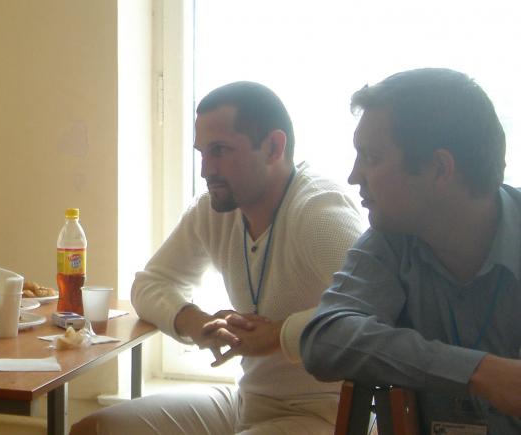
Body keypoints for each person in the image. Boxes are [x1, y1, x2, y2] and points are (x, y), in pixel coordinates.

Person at [71, 81, 364, 435]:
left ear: (273, 147)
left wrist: (278, 335)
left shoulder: (320, 212)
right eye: (202, 153)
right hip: (247, 402)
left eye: (220, 151)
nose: (205, 170)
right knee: (95, 430)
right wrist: (197, 322)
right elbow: (148, 285)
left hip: (325, 415)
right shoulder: (215, 210)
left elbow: (372, 310)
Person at [302, 68, 521, 432]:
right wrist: (479, 372)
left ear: (439, 168)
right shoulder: (390, 240)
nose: (354, 176)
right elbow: (324, 339)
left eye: (372, 157)